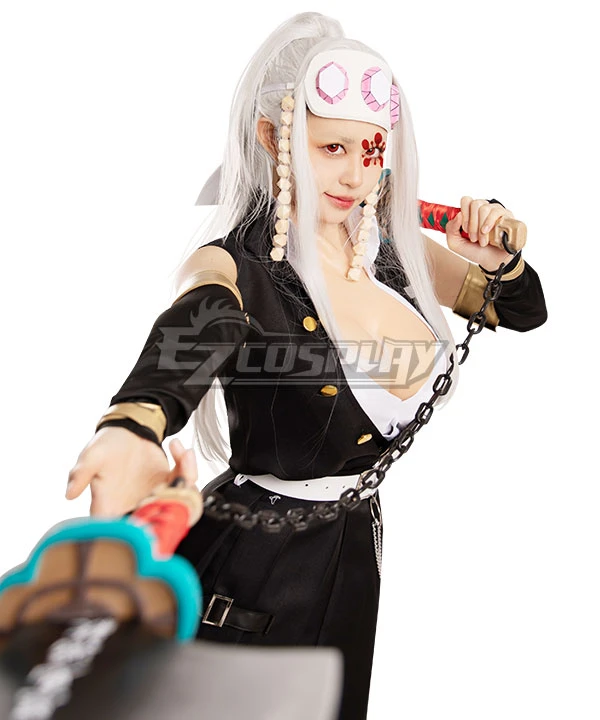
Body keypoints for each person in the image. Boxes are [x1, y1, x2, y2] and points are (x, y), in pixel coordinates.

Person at [65, 12, 547, 719]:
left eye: (371, 150)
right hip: (249, 567)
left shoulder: (389, 250)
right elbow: (197, 322)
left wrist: (499, 262)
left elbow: (521, 310)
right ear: (273, 138)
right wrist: (134, 424)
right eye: (331, 148)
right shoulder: (235, 264)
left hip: (349, 557)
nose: (356, 174)